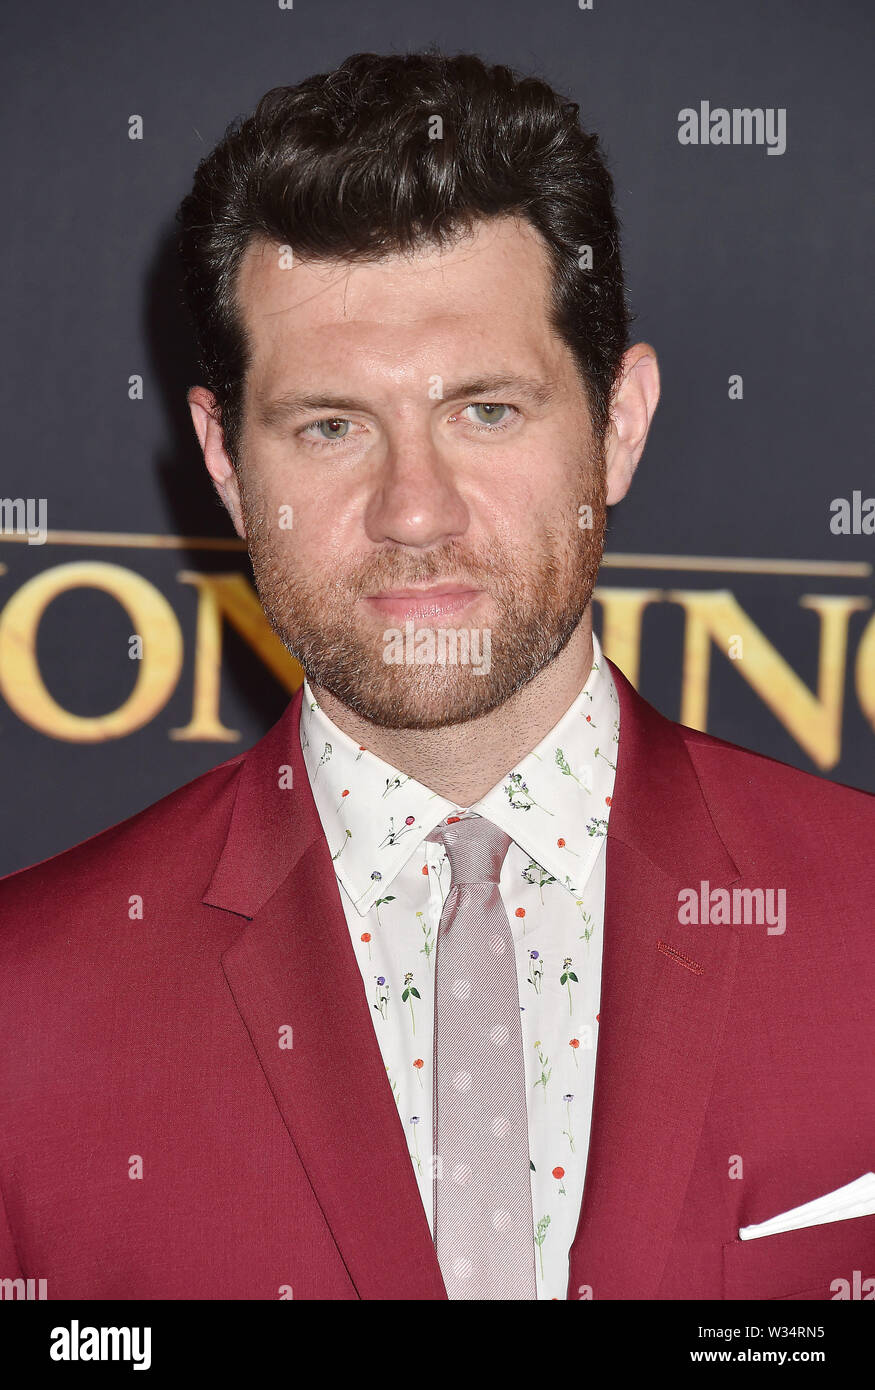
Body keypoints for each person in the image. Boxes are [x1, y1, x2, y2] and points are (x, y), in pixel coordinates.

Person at [1, 50, 872, 1302]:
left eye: (485, 410)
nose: (414, 510)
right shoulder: (23, 1007)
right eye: (331, 426)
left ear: (616, 424)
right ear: (225, 461)